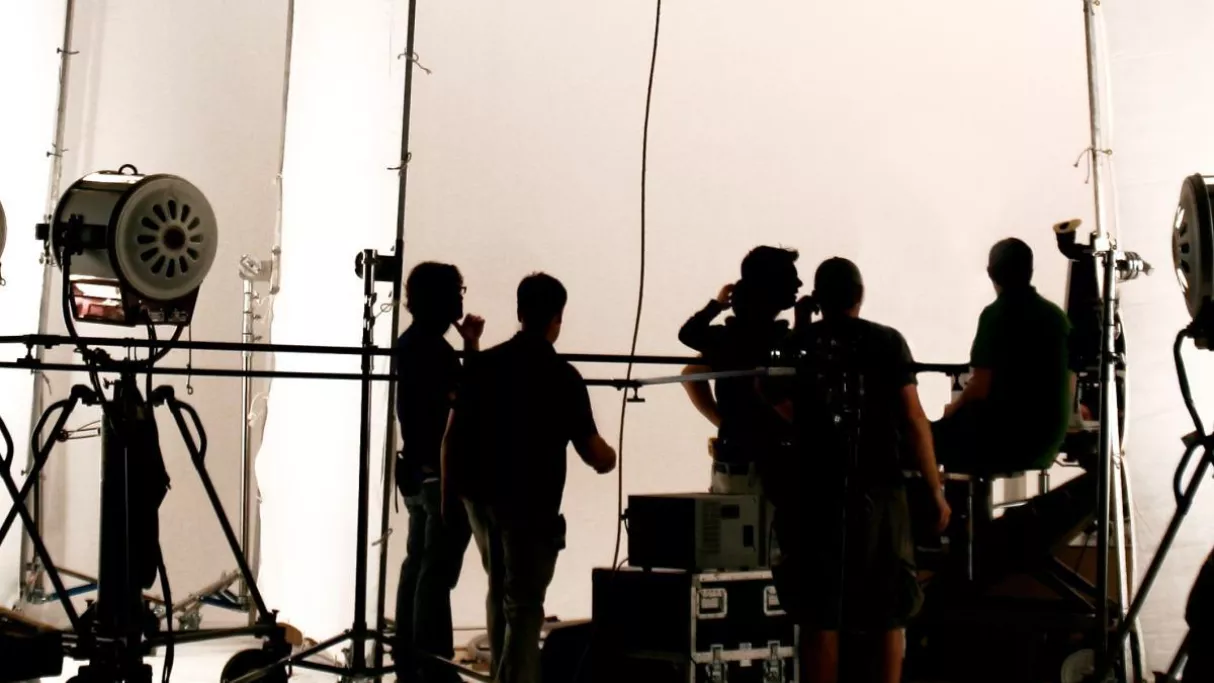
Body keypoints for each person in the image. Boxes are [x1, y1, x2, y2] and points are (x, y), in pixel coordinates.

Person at [767, 257, 949, 683]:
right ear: (860, 295)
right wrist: (934, 489)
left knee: (821, 610)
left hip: (815, 489)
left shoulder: (798, 343)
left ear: (818, 298)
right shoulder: (888, 342)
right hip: (880, 487)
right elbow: (914, 418)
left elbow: (770, 391)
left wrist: (801, 328)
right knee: (890, 608)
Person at [444, 272, 617, 683]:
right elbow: (594, 453)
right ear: (558, 317)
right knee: (524, 607)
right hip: (532, 507)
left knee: (498, 589)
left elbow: (453, 437)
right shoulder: (563, 376)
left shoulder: (484, 365)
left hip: (482, 500)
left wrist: (451, 500)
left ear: (520, 311)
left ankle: (504, 674)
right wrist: (610, 457)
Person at [393, 262, 483, 683]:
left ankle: (410, 659)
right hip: (439, 476)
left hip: (417, 471)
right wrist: (472, 348)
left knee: (418, 565)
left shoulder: (411, 343)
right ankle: (434, 665)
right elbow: (470, 401)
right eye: (458, 291)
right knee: (436, 572)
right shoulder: (434, 350)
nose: (462, 298)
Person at [933, 238, 1075, 475]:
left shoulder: (997, 315)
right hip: (1048, 443)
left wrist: (951, 409)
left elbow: (979, 387)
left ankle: (941, 498)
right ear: (1030, 271)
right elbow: (1070, 378)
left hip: (1005, 441)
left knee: (919, 438)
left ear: (990, 273)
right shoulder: (1057, 317)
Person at [677, 246, 802, 495]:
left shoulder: (728, 339)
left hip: (734, 461)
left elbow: (689, 337)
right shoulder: (781, 341)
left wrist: (716, 305)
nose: (798, 283)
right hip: (779, 458)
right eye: (791, 277)